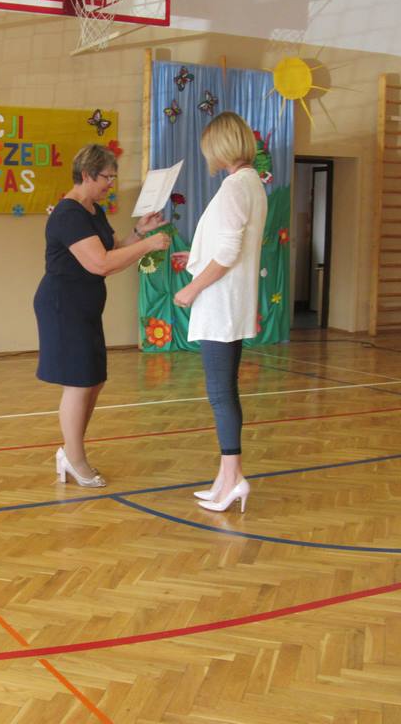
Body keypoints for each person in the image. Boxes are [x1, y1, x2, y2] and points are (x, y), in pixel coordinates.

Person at [34, 144, 170, 487]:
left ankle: (70, 453)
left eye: (113, 177)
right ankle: (74, 458)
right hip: (63, 306)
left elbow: (111, 250)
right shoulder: (68, 215)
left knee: (93, 380)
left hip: (85, 305)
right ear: (86, 175)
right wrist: (148, 245)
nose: (111, 183)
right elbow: (100, 264)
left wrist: (138, 233)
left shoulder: (92, 210)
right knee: (79, 382)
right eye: (107, 177)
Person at [172, 111, 267, 513]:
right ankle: (225, 478)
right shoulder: (251, 183)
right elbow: (229, 246)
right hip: (231, 301)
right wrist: (194, 259)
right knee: (224, 390)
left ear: (220, 147)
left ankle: (232, 477)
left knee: (220, 393)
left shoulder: (234, 187)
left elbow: (228, 253)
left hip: (220, 304)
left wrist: (191, 288)